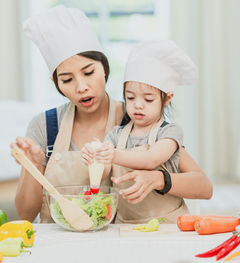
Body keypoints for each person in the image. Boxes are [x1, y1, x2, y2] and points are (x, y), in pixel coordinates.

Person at [11, 5, 212, 223]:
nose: (81, 87)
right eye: (67, 80)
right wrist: (34, 164)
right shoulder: (46, 127)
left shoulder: (139, 119)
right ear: (56, 83)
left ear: (104, 68)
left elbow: (203, 185)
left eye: (89, 72)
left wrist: (158, 178)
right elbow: (25, 215)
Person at [81, 40, 209, 223]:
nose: (138, 105)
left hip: (169, 225)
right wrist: (95, 158)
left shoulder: (169, 133)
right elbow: (104, 173)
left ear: (166, 99)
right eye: (130, 98)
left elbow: (152, 159)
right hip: (126, 226)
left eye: (148, 99)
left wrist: (112, 154)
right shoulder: (116, 135)